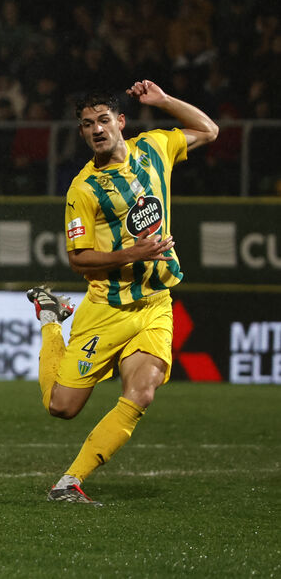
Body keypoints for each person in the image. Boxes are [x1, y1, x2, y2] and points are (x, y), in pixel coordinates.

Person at [27, 79, 218, 505]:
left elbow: (209, 131)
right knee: (62, 407)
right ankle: (50, 320)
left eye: (103, 120)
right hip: (107, 309)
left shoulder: (154, 147)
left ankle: (69, 483)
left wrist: (166, 100)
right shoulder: (83, 189)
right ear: (81, 133)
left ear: (121, 122)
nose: (96, 129)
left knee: (143, 391)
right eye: (87, 124)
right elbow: (79, 259)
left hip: (155, 304)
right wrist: (135, 251)